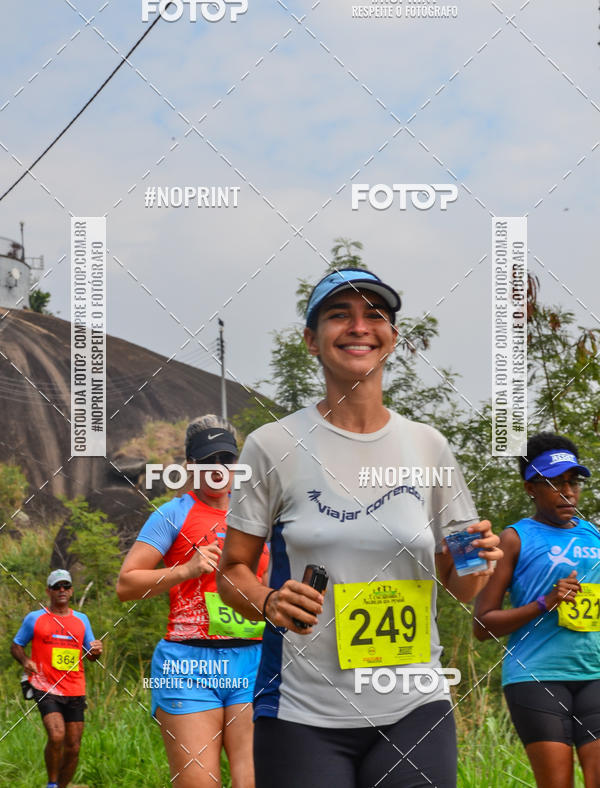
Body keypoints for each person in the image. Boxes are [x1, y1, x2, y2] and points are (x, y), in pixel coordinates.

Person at [217, 268, 502, 788]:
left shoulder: (429, 446)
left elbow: (461, 586)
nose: (358, 326)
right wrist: (267, 600)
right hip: (302, 711)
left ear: (392, 338)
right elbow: (231, 570)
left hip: (415, 704)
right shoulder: (272, 445)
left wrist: (477, 560)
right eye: (338, 315)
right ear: (311, 339)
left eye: (374, 315)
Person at [116, 415, 269, 788]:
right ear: (190, 466)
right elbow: (127, 584)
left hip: (252, 661)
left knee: (251, 781)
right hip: (189, 665)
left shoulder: (256, 514)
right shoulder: (173, 514)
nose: (218, 470)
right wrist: (186, 569)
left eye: (226, 459)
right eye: (207, 461)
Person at [474, 432, 600, 788]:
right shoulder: (514, 539)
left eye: (573, 482)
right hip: (537, 677)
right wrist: (545, 602)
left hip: (595, 674)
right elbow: (482, 625)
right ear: (530, 488)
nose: (568, 492)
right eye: (555, 483)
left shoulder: (594, 535)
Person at [11, 568, 103, 788]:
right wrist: (25, 661)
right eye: (56, 587)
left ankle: (62, 785)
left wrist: (96, 651)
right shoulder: (35, 618)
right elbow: (16, 646)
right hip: (45, 686)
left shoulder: (82, 620)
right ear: (48, 591)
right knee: (56, 735)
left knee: (74, 746)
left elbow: (91, 655)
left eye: (66, 586)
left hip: (75, 688)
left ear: (71, 591)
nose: (61, 590)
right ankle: (51, 783)